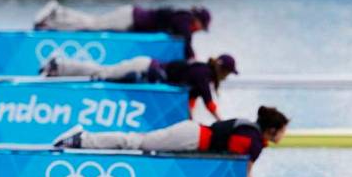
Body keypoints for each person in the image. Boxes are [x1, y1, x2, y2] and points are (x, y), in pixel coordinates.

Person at [52, 106, 290, 177]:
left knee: (137, 143)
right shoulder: (253, 142)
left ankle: (82, 140)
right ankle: (81, 139)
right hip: (189, 138)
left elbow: (242, 175)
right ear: (272, 129)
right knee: (136, 142)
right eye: (283, 130)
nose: (285, 134)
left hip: (191, 137)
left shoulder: (253, 135)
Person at [41, 54, 238, 121]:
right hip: (143, 67)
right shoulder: (203, 74)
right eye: (228, 72)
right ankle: (59, 65)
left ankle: (60, 66)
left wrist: (190, 120)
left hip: (145, 70)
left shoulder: (202, 73)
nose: (228, 76)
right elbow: (209, 103)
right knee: (101, 74)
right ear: (222, 69)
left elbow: (192, 100)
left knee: (102, 74)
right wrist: (223, 124)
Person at [34, 0, 210, 58]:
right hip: (129, 18)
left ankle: (52, 22)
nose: (199, 30)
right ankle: (56, 12)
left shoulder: (182, 18)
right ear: (197, 20)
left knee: (92, 25)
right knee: (93, 25)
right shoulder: (184, 18)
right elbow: (185, 37)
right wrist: (193, 58)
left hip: (130, 21)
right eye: (202, 27)